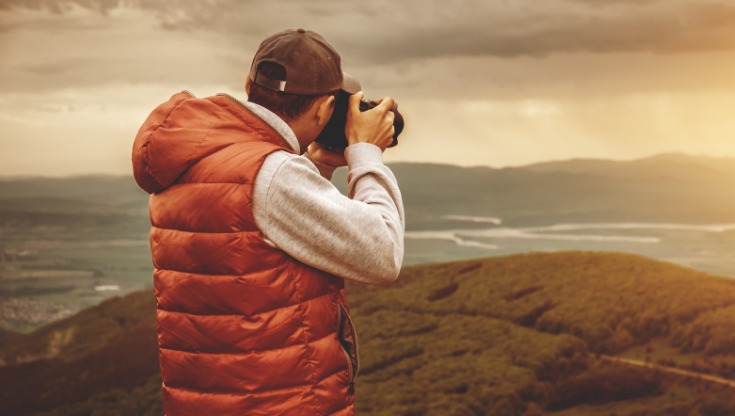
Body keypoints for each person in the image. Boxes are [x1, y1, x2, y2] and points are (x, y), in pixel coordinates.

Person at [131, 28, 404, 416]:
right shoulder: (272, 174)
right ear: (326, 109)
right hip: (281, 403)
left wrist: (321, 164)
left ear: (249, 84)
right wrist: (365, 154)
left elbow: (263, 234)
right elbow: (383, 254)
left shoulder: (200, 158)